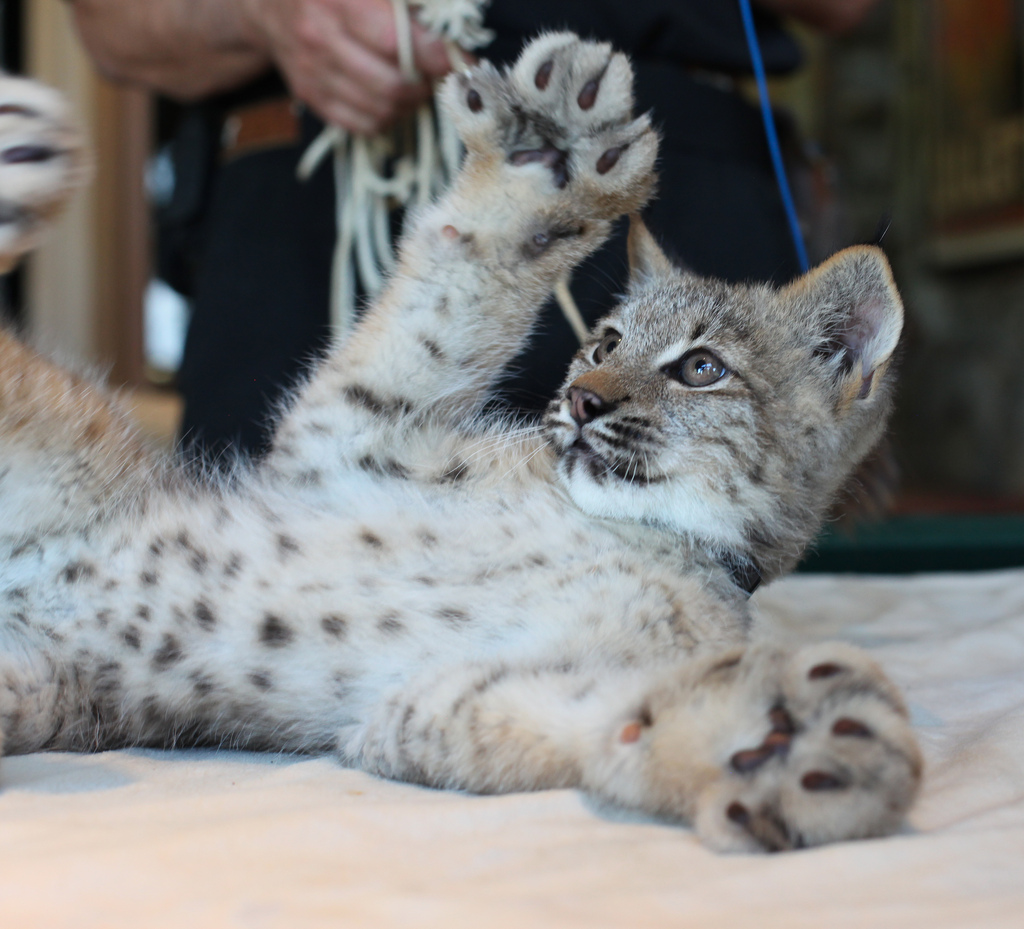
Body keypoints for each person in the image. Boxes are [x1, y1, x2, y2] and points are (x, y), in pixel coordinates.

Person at [68, 0, 879, 461]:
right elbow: (108, 26)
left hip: (666, 191)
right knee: (247, 622)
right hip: (304, 209)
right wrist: (261, 13)